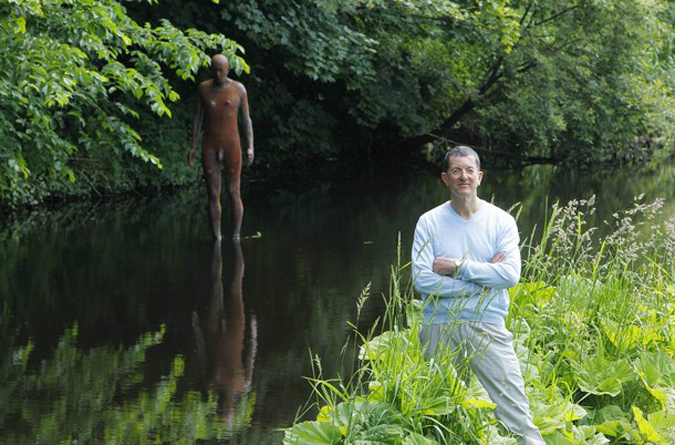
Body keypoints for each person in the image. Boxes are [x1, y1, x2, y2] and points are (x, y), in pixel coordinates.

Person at [411, 146, 544, 444]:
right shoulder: (429, 222)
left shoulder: (501, 221)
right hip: (439, 327)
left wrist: (457, 266)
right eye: (456, 171)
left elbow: (509, 275)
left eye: (469, 171)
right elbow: (422, 281)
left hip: (488, 325)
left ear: (480, 177)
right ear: (445, 178)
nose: (463, 177)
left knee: (515, 411)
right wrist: (483, 281)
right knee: (438, 412)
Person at [188, 54, 254, 241]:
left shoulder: (238, 89)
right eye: (214, 70)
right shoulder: (204, 89)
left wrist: (250, 146)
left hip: (232, 146)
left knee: (234, 192)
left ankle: (236, 235)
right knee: (213, 194)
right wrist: (193, 147)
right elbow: (197, 120)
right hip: (210, 146)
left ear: (228, 69)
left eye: (221, 70)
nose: (217, 74)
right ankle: (217, 237)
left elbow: (246, 120)